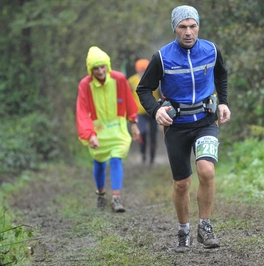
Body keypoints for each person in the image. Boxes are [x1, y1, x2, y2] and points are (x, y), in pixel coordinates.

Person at [136, 5, 231, 252]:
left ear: (198, 26)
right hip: (176, 126)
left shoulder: (211, 50)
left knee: (207, 171)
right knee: (182, 183)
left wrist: (224, 102)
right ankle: (183, 230)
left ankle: (205, 226)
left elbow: (221, 74)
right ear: (175, 28)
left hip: (205, 121)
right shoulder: (162, 57)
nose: (188, 32)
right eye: (183, 27)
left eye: (193, 26)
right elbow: (144, 89)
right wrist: (156, 110)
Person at [76, 46, 140, 213]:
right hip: (97, 130)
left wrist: (133, 123)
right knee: (98, 163)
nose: (100, 71)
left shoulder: (119, 79)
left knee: (116, 159)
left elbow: (128, 100)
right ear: (91, 69)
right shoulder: (85, 84)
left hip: (117, 128)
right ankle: (101, 193)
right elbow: (82, 111)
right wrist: (89, 134)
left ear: (107, 66)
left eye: (102, 67)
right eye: (96, 68)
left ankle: (116, 198)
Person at [128, 59, 160, 165]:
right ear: (137, 70)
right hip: (139, 112)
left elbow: (161, 94)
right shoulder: (132, 81)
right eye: (140, 70)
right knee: (143, 132)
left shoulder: (155, 79)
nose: (142, 72)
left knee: (153, 134)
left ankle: (152, 156)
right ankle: (142, 154)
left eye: (144, 70)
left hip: (153, 111)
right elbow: (128, 97)